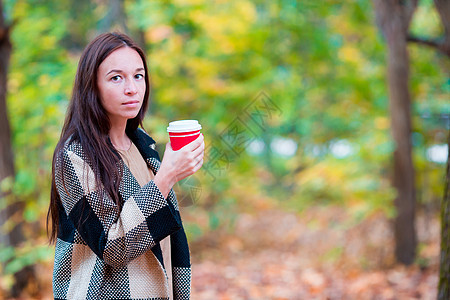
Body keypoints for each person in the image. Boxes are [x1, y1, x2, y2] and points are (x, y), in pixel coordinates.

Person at [47, 32, 204, 300]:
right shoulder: (74, 155)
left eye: (138, 76)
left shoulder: (143, 145)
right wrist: (166, 176)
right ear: (92, 86)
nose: (131, 88)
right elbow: (113, 246)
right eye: (116, 77)